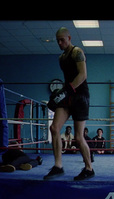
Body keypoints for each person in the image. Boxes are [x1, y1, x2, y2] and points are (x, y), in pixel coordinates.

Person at [44, 27, 94, 180]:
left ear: (69, 38)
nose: (59, 43)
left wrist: (67, 90)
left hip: (80, 96)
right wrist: (62, 94)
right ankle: (58, 166)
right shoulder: (61, 58)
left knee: (79, 137)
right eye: (58, 40)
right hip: (68, 95)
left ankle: (89, 168)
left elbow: (83, 75)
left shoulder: (77, 52)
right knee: (54, 128)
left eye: (62, 40)